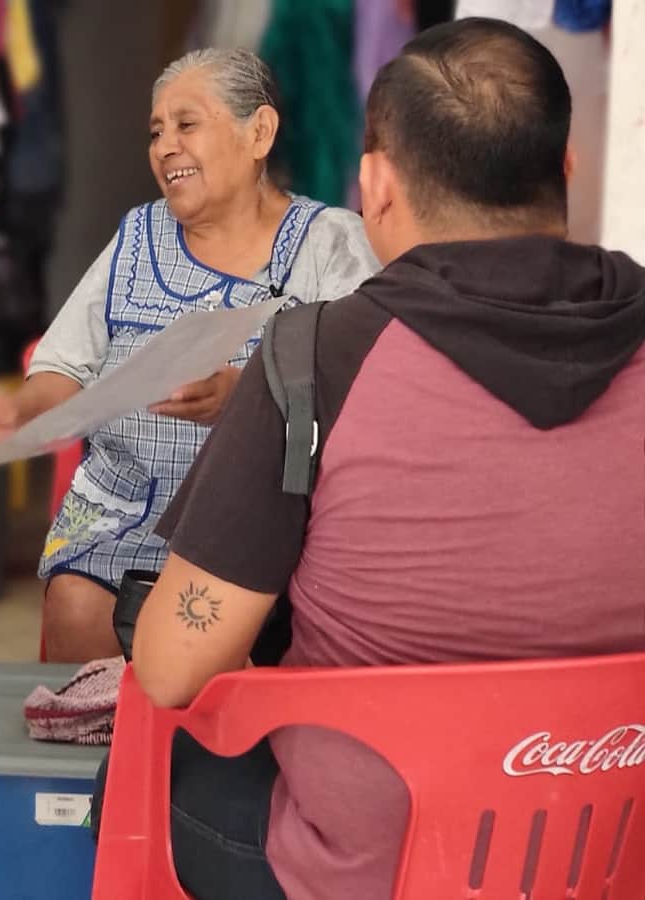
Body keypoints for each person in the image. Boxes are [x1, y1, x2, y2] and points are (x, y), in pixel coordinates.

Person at [122, 18, 645, 900]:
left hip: (372, 863)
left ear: (375, 188)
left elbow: (172, 668)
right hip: (614, 839)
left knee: (144, 773)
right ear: (566, 171)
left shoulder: (314, 358)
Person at [0, 48, 378, 662]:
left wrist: (245, 395)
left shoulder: (332, 244)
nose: (165, 146)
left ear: (260, 133)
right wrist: (16, 413)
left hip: (261, 526)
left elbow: (369, 388)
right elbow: (67, 364)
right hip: (124, 511)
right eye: (156, 132)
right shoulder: (138, 236)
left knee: (237, 653)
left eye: (187, 124)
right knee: (77, 604)